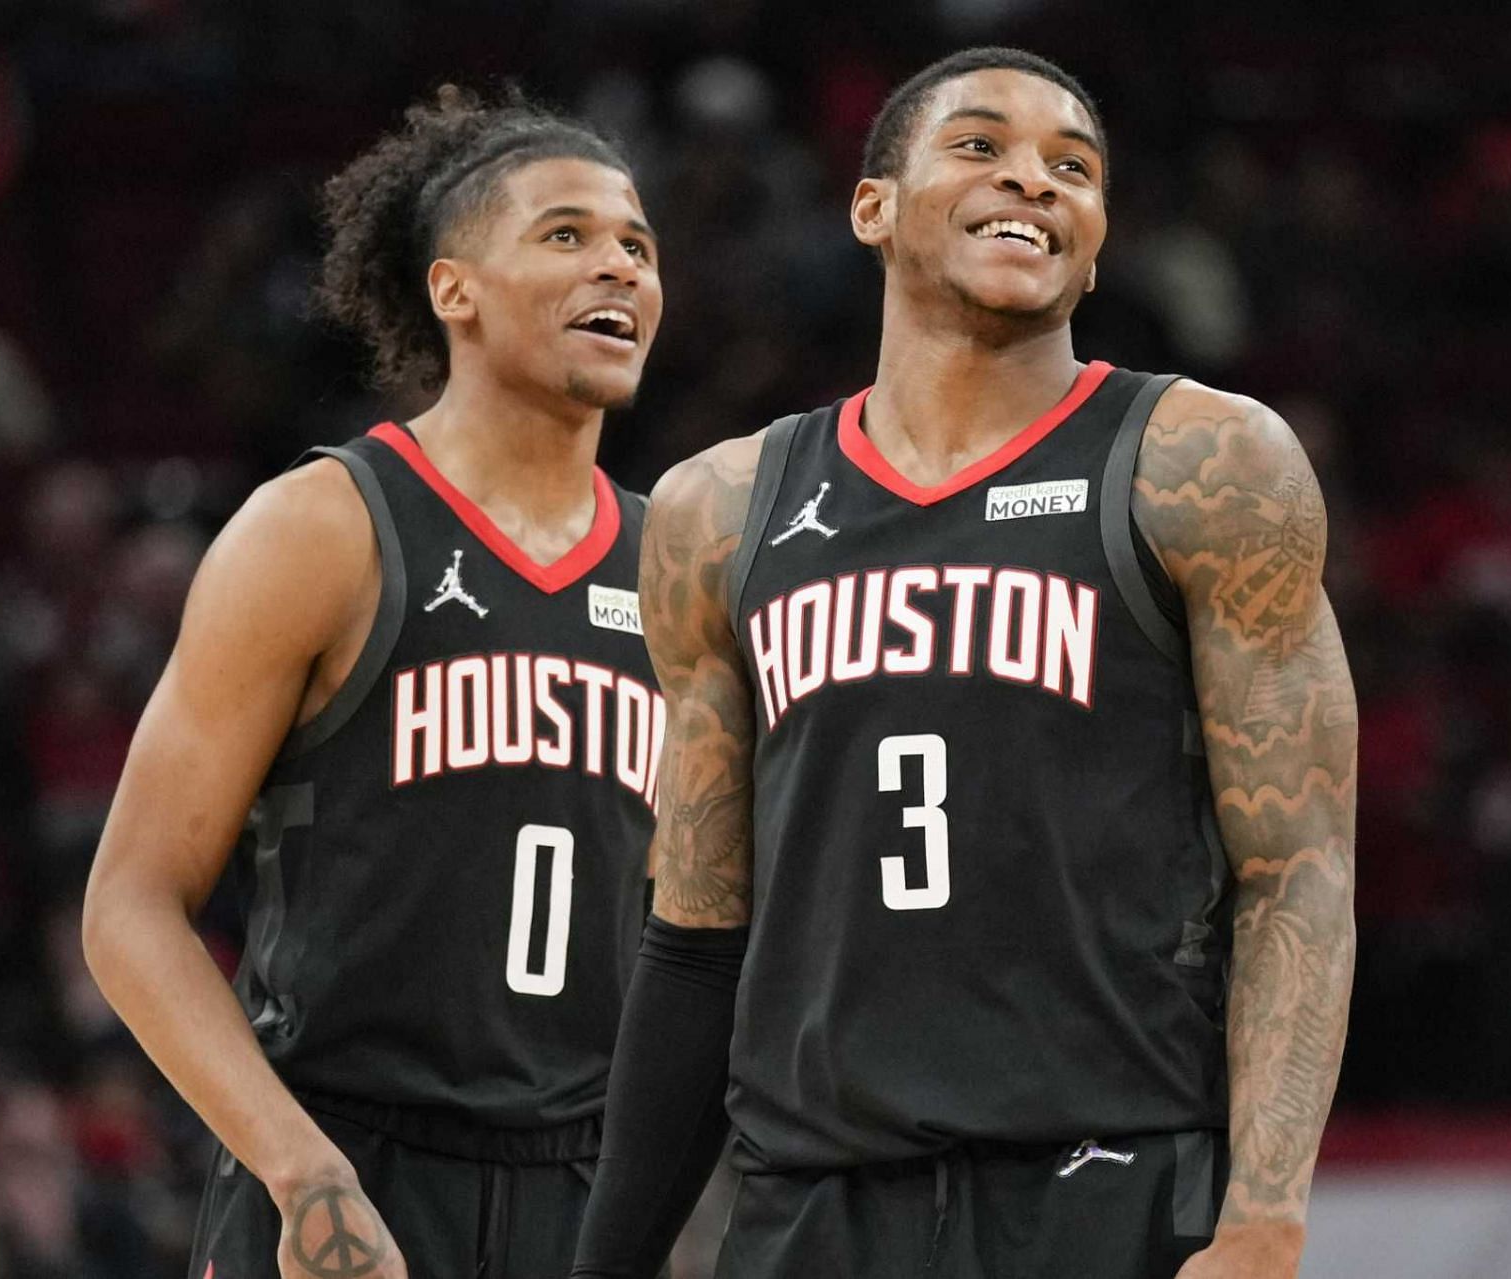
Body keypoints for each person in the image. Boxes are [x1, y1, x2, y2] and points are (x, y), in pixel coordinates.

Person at [574, 47, 1357, 1279]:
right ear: (871, 208)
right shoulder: (718, 509)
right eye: (981, 146)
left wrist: (1265, 1213)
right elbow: (695, 932)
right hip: (812, 1200)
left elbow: (1298, 873)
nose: (1034, 180)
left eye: (1074, 168)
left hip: (1106, 1180)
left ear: (1096, 247)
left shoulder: (1202, 463)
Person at [82, 85, 666, 1279]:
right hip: (347, 1164)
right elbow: (130, 904)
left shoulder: (687, 563)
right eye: (566, 234)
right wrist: (302, 1174)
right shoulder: (323, 527)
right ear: (453, 289)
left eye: (638, 246)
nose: (617, 266)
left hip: (586, 1190)